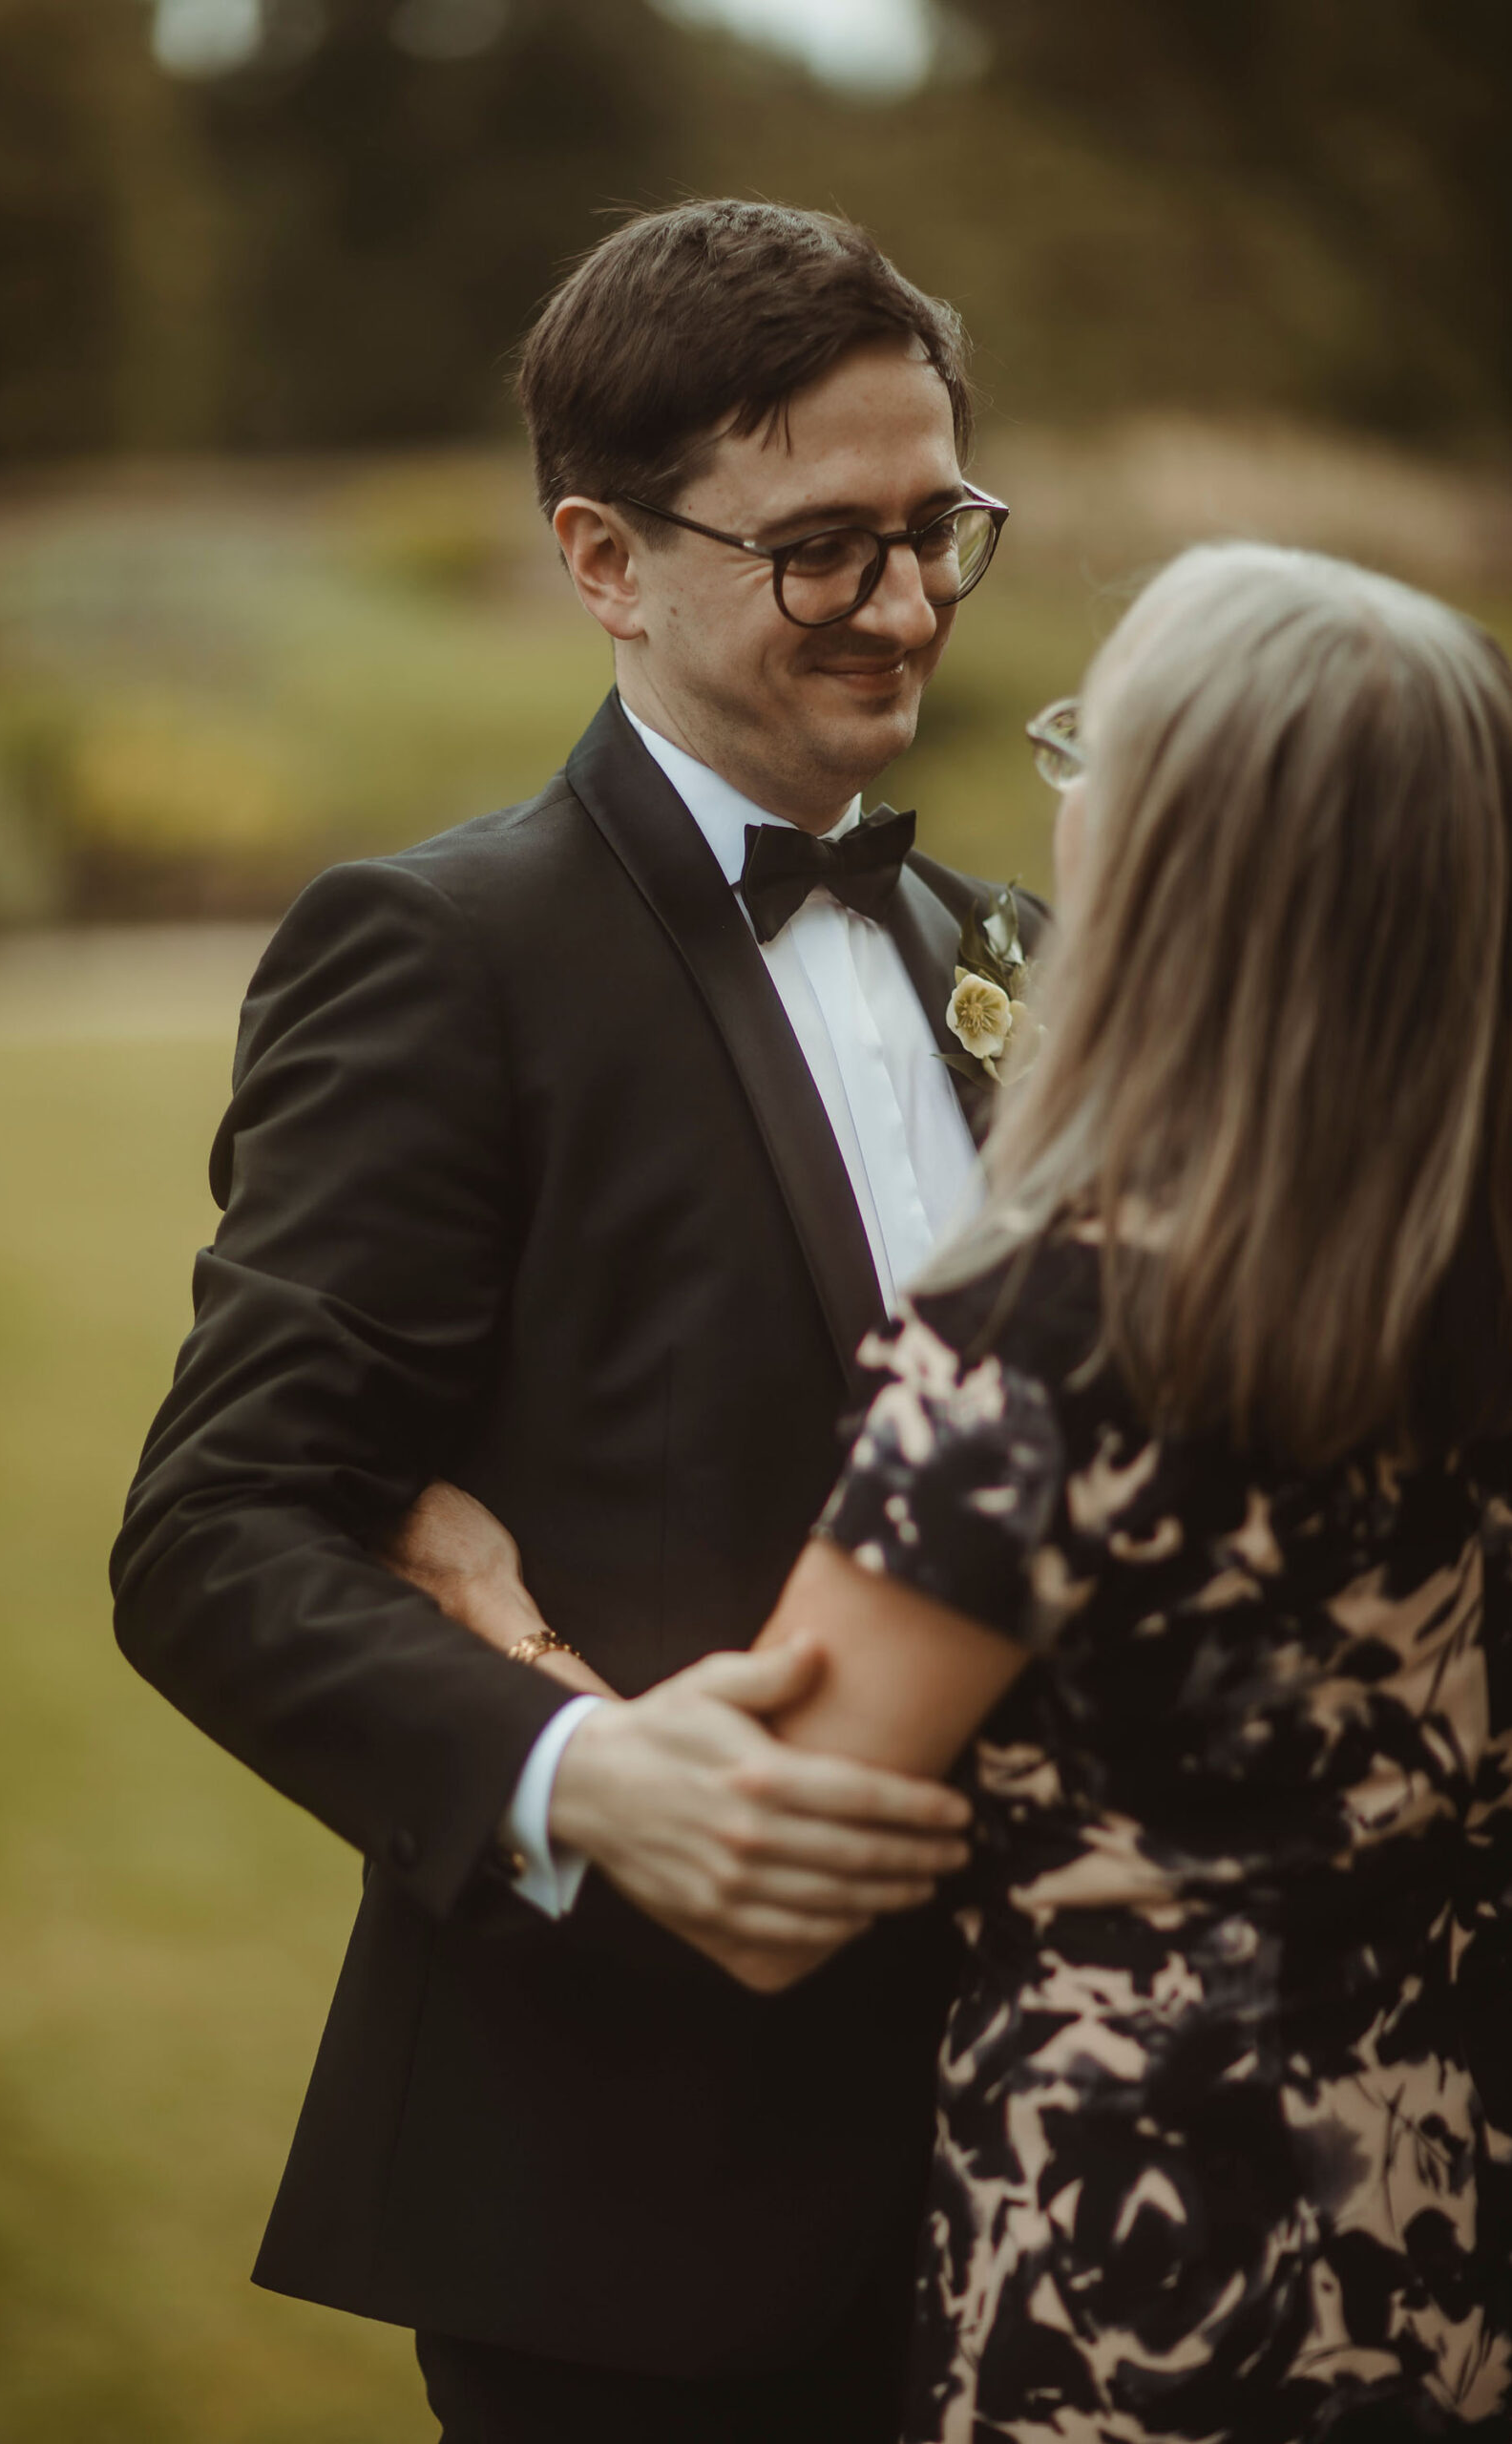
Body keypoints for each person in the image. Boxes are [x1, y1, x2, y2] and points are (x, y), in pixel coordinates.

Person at [404, 541, 1512, 2440]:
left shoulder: (1056, 1337)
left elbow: (764, 1876)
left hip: (1157, 2278)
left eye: (1094, 758)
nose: (1061, 805)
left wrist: (488, 1619)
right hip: (1448, 2230)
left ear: (1173, 858)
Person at [110, 199, 1045, 2444]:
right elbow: (216, 1532)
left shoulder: (1016, 946)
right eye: (818, 551)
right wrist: (577, 1766)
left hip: (1051, 2159)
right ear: (602, 559)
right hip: (639, 2205)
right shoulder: (441, 952)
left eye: (935, 530)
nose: (904, 603)